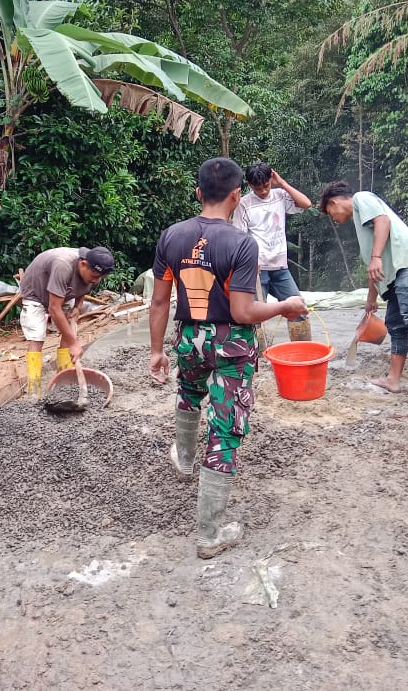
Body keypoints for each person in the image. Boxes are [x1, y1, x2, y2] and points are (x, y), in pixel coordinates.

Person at [148, 158, 307, 559]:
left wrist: (155, 351)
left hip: (189, 339)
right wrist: (283, 306)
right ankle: (209, 535)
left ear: (199, 193)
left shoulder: (172, 236)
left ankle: (184, 461)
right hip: (231, 343)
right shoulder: (240, 243)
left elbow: (160, 299)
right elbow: (243, 312)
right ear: (237, 196)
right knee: (225, 428)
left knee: (189, 392)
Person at [319, 181, 408, 398]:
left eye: (330, 213)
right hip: (396, 275)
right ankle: (393, 379)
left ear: (334, 202)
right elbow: (373, 267)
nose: (334, 219)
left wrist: (376, 257)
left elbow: (383, 221)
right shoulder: (360, 221)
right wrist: (371, 298)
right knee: (396, 324)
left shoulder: (361, 199)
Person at [232, 161, 313, 341]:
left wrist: (281, 183)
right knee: (254, 317)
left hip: (280, 267)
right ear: (250, 185)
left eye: (266, 185)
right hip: (257, 270)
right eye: (257, 188)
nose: (262, 191)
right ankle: (257, 357)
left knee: (299, 309)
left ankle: (303, 351)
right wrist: (250, 262)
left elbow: (306, 204)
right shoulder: (244, 204)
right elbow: (239, 237)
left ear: (271, 179)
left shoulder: (280, 196)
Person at [19, 246, 115, 395]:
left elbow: (85, 286)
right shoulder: (63, 266)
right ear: (83, 264)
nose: (97, 280)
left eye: (100, 277)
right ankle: (34, 388)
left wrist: (78, 306)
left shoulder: (96, 269)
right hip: (36, 292)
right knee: (37, 336)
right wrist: (74, 342)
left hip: (63, 292)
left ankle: (63, 381)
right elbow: (54, 308)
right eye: (94, 276)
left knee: (68, 332)